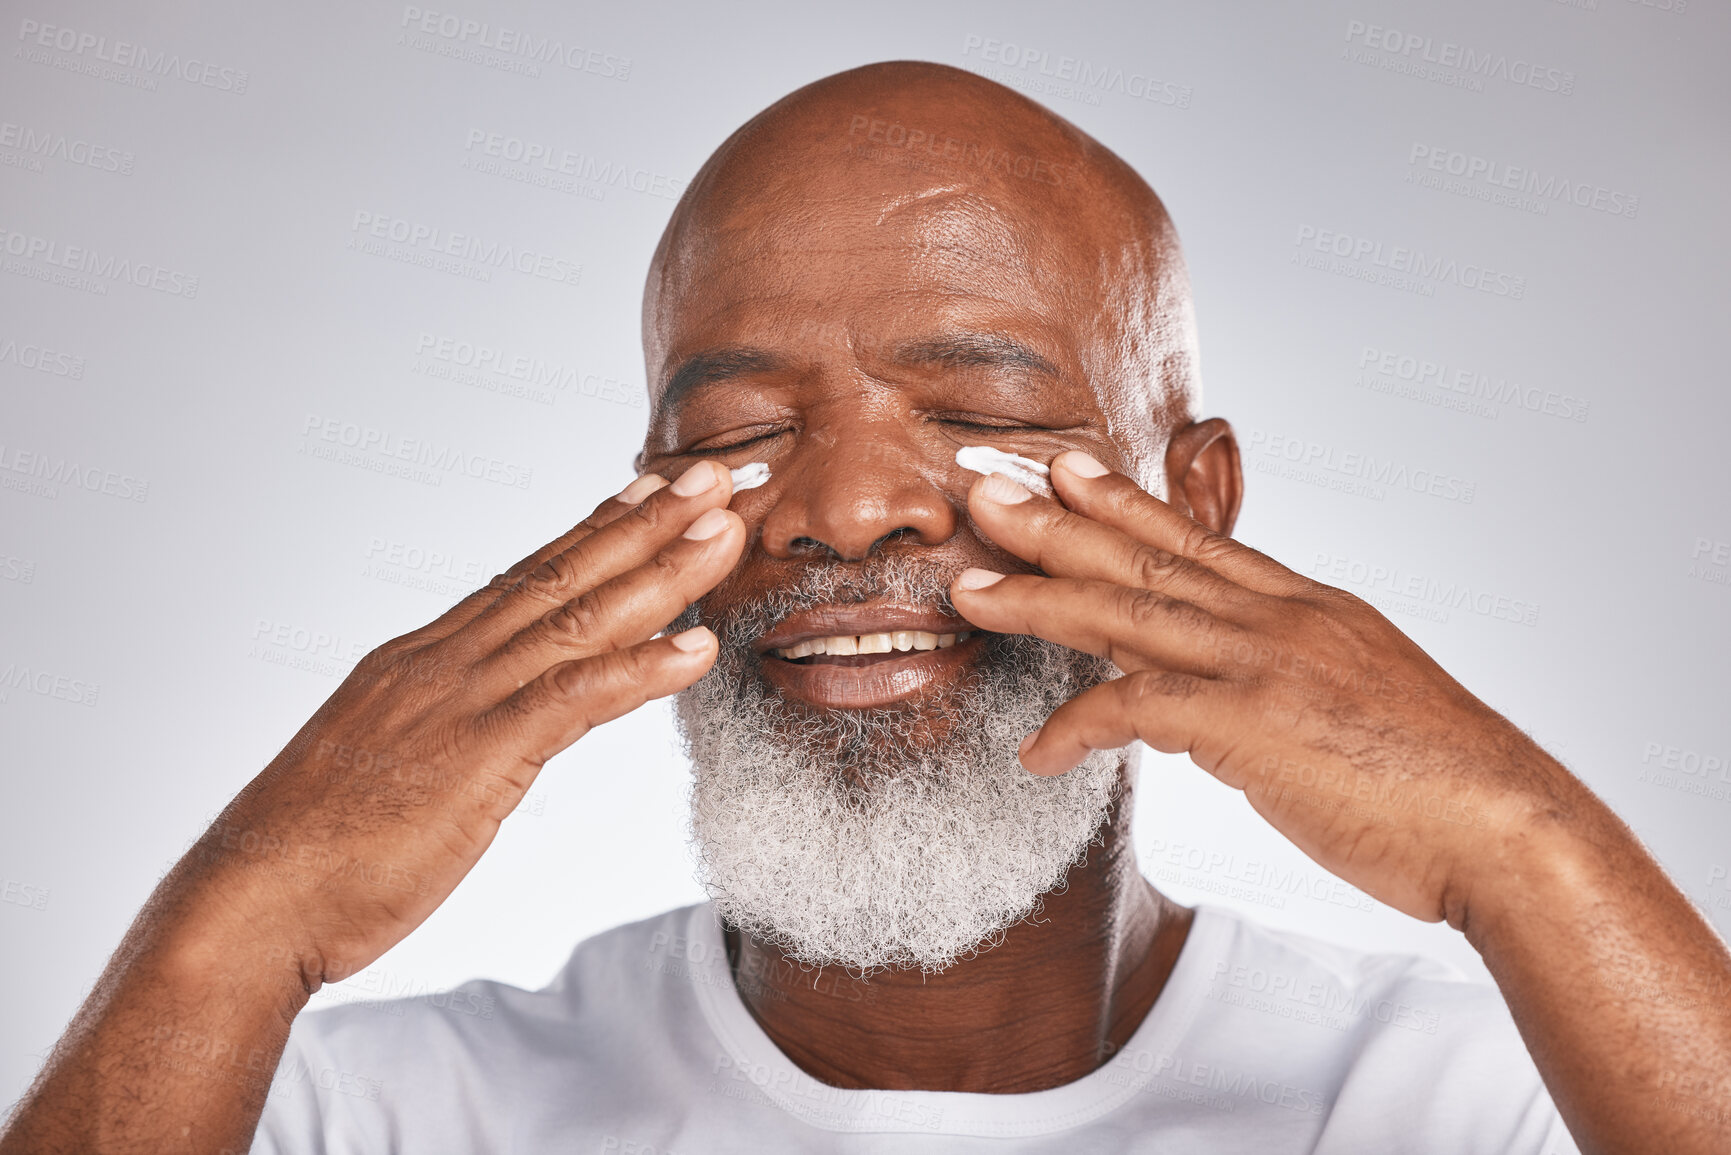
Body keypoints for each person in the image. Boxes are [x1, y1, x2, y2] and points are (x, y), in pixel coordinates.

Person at [4, 60, 1727, 1155]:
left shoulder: (1483, 1105)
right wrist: (242, 917)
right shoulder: (365, 1115)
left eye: (977, 412)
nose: (840, 510)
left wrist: (1527, 846)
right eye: (742, 435)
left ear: (1193, 503)